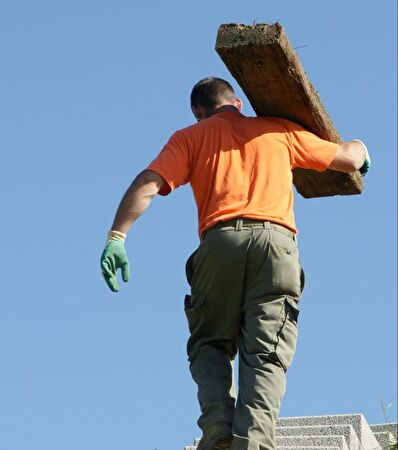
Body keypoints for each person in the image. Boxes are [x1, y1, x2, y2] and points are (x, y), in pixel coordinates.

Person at [100, 77, 370, 450]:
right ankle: (254, 444)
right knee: (266, 355)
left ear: (198, 111)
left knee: (209, 344)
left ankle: (218, 434)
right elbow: (349, 158)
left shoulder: (189, 138)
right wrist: (362, 149)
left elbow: (148, 182)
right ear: (239, 102)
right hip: (276, 246)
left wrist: (118, 236)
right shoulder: (277, 130)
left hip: (220, 243)